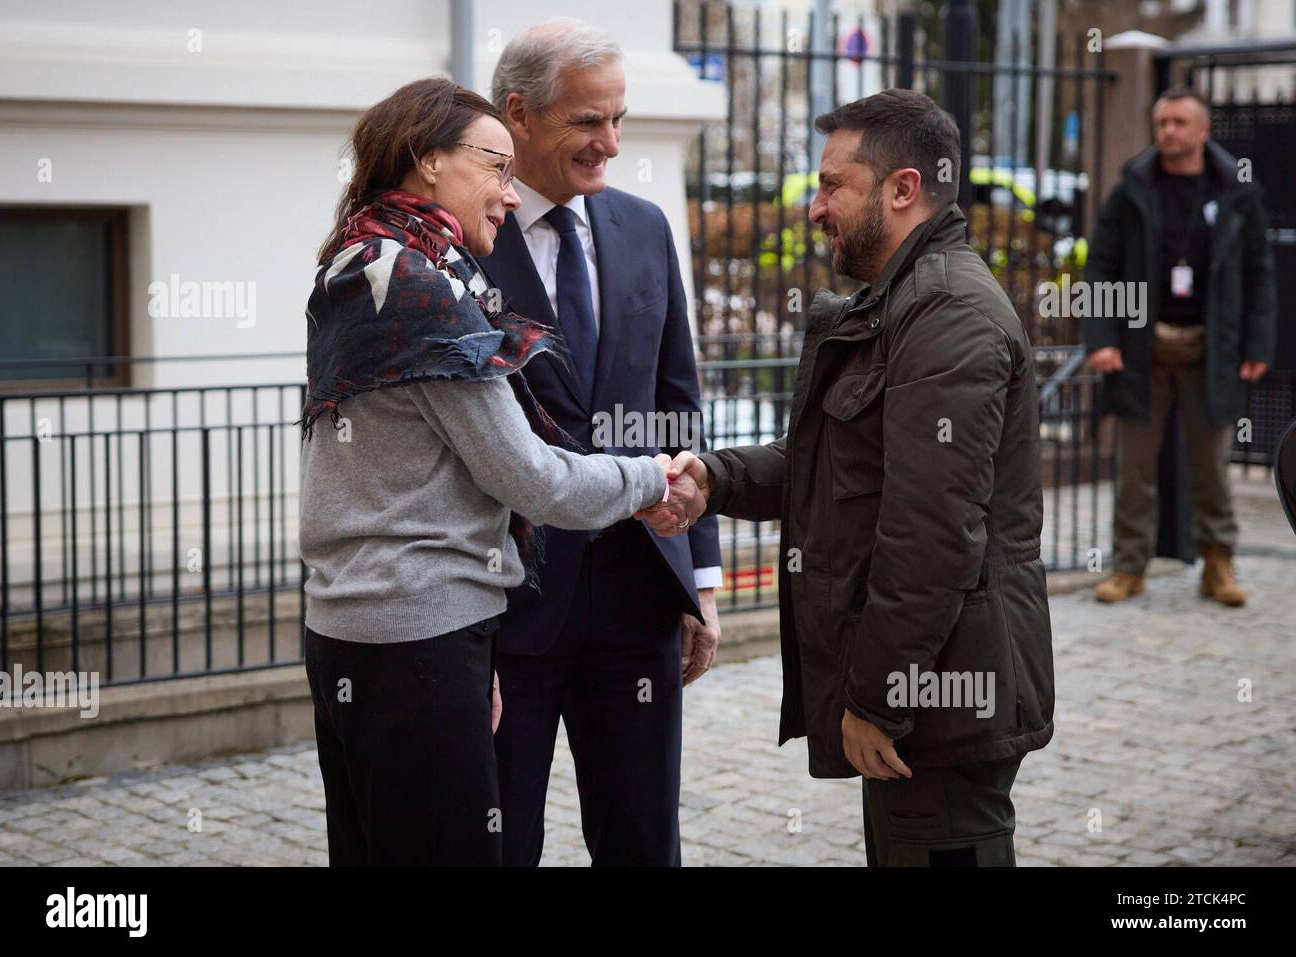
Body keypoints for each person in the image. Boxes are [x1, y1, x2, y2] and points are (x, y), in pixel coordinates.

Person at [645, 89, 1055, 867]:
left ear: (903, 188)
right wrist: (714, 479)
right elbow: (832, 462)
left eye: (834, 185)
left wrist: (880, 699)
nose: (814, 207)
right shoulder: (900, 300)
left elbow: (931, 536)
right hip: (928, 701)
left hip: (940, 706)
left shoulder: (948, 313)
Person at [298, 78, 677, 866]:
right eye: (495, 167)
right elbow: (535, 479)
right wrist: (656, 480)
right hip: (418, 638)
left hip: (349, 631)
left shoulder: (354, 263)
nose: (509, 194)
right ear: (429, 160)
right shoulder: (423, 293)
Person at [476, 18, 723, 867]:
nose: (610, 143)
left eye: (618, 119)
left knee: (643, 839)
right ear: (519, 114)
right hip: (510, 610)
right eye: (589, 122)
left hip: (636, 599)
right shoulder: (465, 241)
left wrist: (700, 577)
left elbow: (676, 406)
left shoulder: (644, 228)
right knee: (505, 839)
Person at [1083, 86, 1276, 606]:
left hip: (1212, 349)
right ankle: (1129, 567)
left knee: (1211, 465)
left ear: (1203, 130)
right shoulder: (1132, 187)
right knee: (1135, 468)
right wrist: (1101, 337)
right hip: (1140, 347)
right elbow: (1100, 264)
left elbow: (1260, 273)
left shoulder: (1238, 189)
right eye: (1161, 121)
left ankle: (1218, 565)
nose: (1168, 130)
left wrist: (1257, 342)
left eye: (1179, 122)